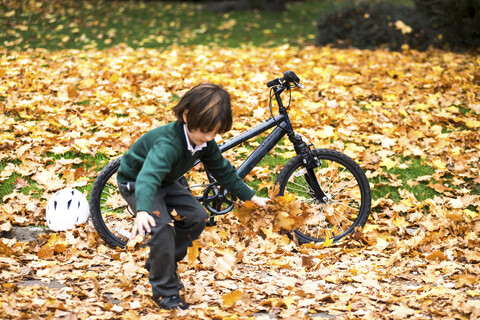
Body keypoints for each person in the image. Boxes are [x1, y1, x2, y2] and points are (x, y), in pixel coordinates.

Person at [116, 83, 269, 310]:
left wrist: (252, 197)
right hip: (138, 182)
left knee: (197, 216)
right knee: (162, 228)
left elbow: (223, 170)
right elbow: (149, 176)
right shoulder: (168, 144)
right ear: (187, 116)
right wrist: (143, 209)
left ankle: (160, 262)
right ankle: (165, 292)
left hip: (166, 181)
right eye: (205, 130)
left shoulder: (204, 141)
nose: (208, 137)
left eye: (215, 132)